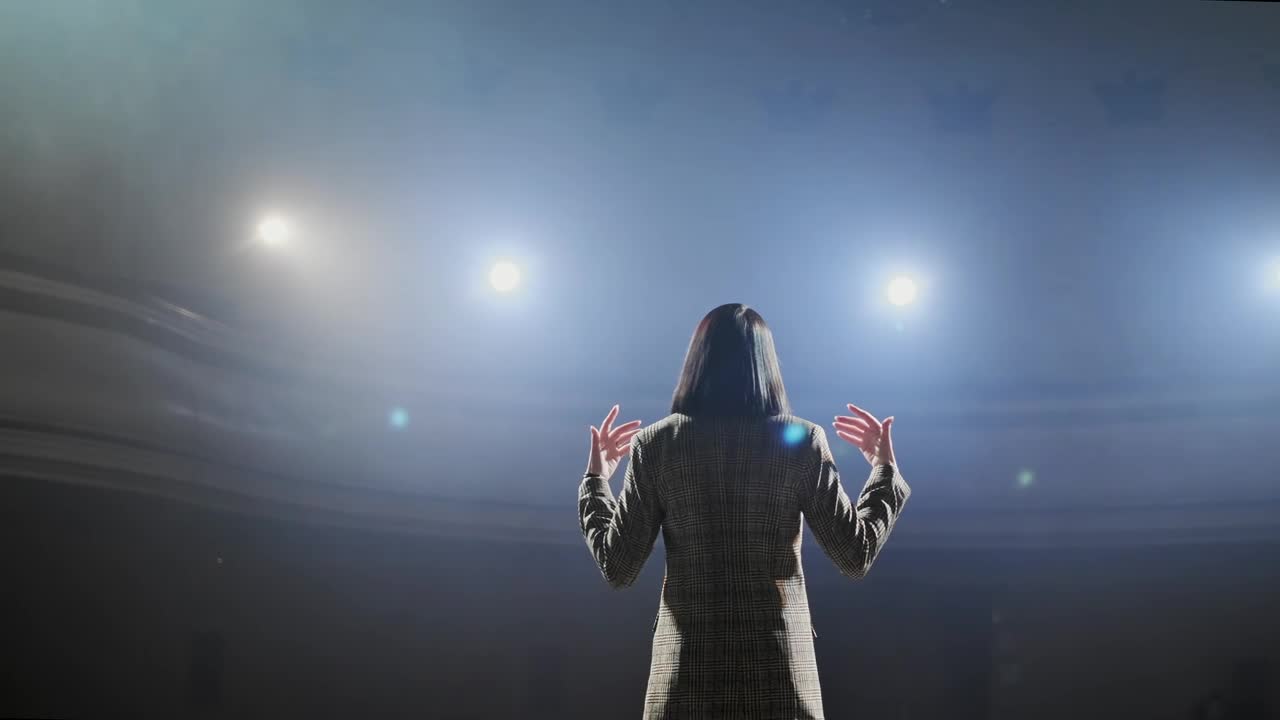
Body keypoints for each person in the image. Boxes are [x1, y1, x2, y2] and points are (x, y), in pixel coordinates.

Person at [577, 302, 913, 719]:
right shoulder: (803, 441)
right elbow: (854, 555)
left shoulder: (656, 445)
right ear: (767, 364)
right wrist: (883, 469)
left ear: (696, 361)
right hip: (781, 684)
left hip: (685, 685)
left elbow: (619, 567)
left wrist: (596, 481)